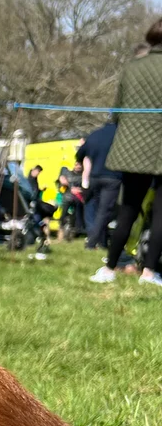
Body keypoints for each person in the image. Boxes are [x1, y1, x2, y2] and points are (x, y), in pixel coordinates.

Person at [90, 20, 162, 286]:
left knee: (128, 211)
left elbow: (117, 112)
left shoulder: (132, 67)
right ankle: (150, 272)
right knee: (160, 216)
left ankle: (109, 267)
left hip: (133, 149)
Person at [77, 120, 121, 249]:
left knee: (93, 207)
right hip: (113, 176)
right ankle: (92, 242)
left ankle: (97, 238)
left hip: (94, 176)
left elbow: (80, 153)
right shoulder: (120, 136)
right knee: (105, 211)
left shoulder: (94, 135)